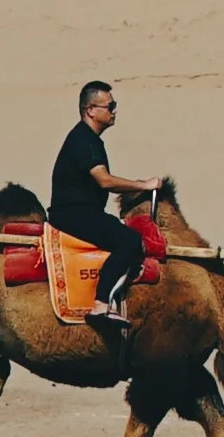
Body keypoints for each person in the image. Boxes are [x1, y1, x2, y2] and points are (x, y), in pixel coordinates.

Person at [48, 81, 168, 339]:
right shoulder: (85, 140)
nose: (114, 111)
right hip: (73, 215)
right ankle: (101, 305)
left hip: (81, 212)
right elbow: (105, 180)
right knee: (130, 241)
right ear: (91, 109)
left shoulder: (87, 139)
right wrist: (142, 185)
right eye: (110, 106)